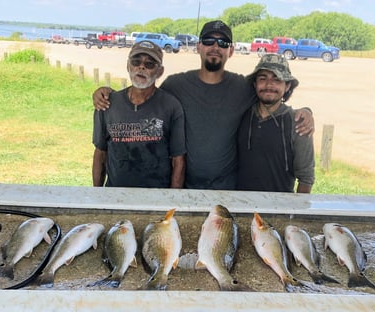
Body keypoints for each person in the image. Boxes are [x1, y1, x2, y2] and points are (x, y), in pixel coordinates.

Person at [93, 20, 314, 190]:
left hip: (227, 188)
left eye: (223, 43)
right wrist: (107, 93)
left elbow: (271, 93)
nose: (215, 47)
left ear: (231, 50)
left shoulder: (243, 87)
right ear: (199, 47)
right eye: (208, 41)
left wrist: (306, 112)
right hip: (185, 185)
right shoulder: (175, 85)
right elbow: (145, 92)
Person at [92, 40, 186, 188]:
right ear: (128, 66)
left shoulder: (171, 106)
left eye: (149, 64)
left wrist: (171, 201)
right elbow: (100, 153)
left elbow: (178, 160)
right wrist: (96, 194)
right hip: (115, 195)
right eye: (136, 62)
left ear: (160, 72)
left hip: (156, 196)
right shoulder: (107, 103)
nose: (141, 67)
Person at [237, 54, 315, 193]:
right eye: (263, 78)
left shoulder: (298, 123)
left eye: (277, 79)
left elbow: (306, 178)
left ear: (287, 86)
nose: (269, 85)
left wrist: (295, 213)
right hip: (239, 205)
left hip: (279, 208)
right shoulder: (240, 114)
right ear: (255, 84)